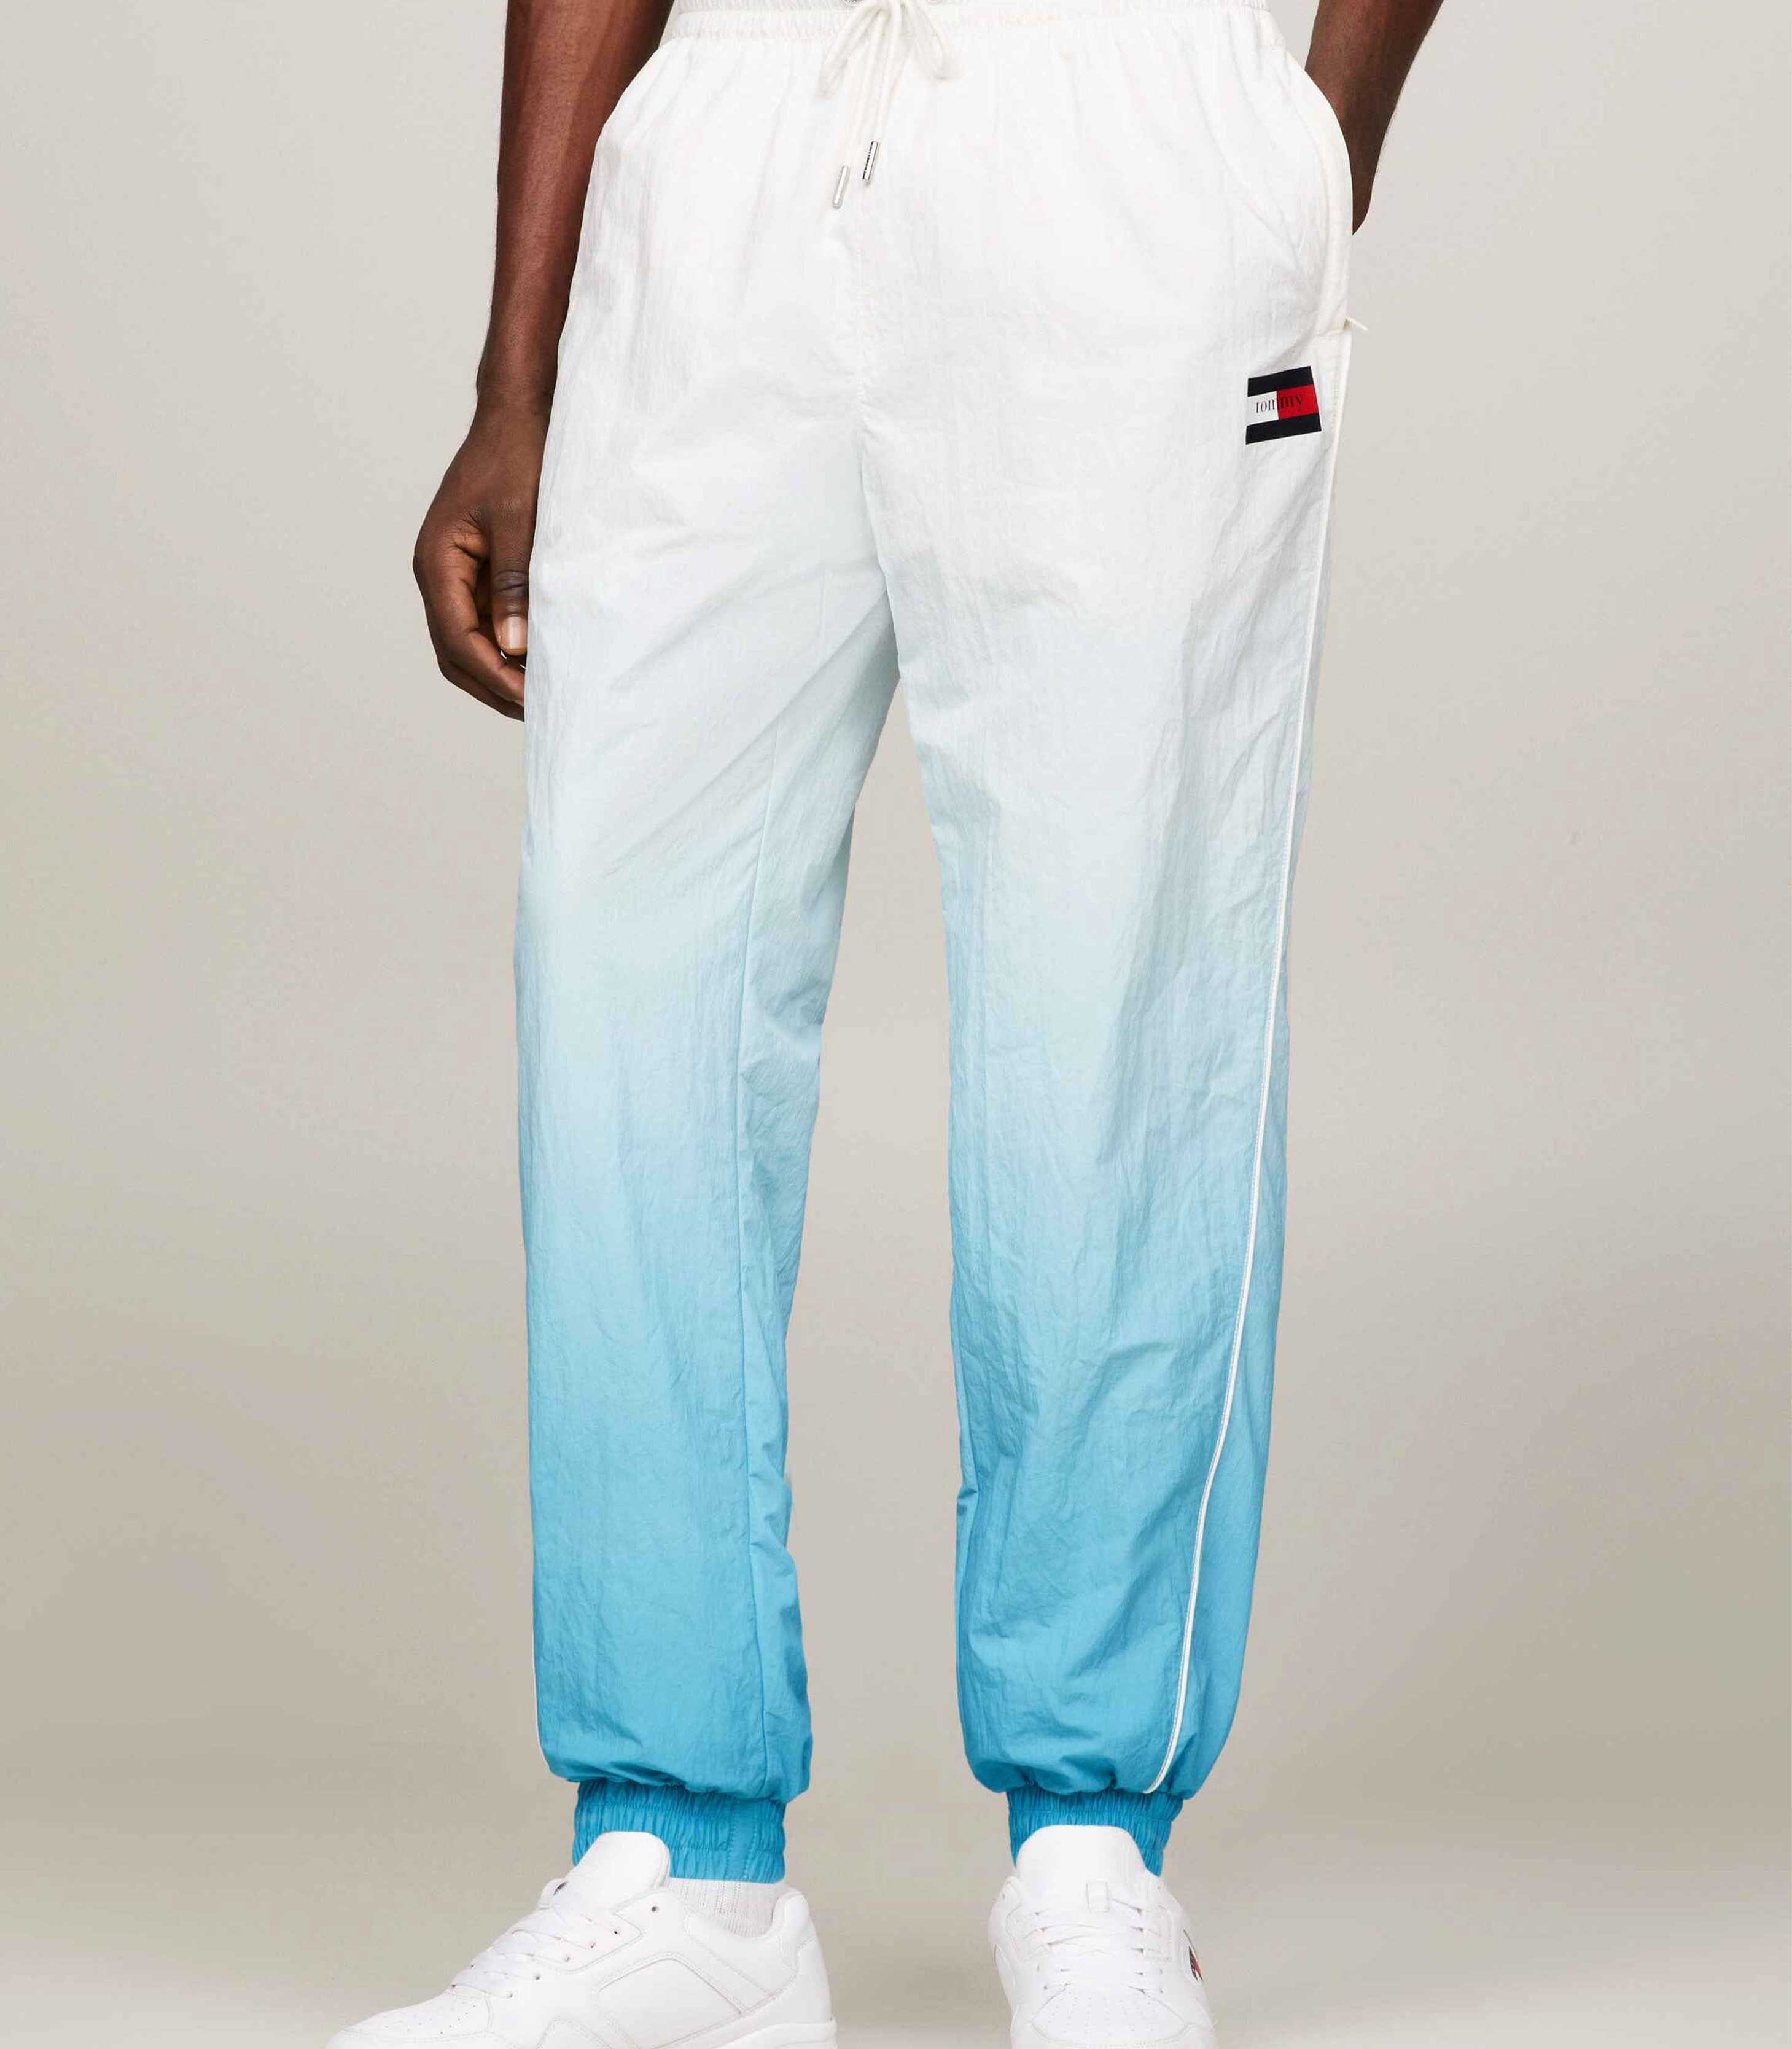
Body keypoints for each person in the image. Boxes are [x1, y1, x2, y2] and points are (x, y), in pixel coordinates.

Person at [335, 0, 1441, 2040]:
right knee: (622, 977)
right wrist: (517, 372)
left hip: (1124, 137)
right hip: (726, 147)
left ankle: (1092, 1847)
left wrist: (1308, 151)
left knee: (1116, 996)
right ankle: (682, 1866)